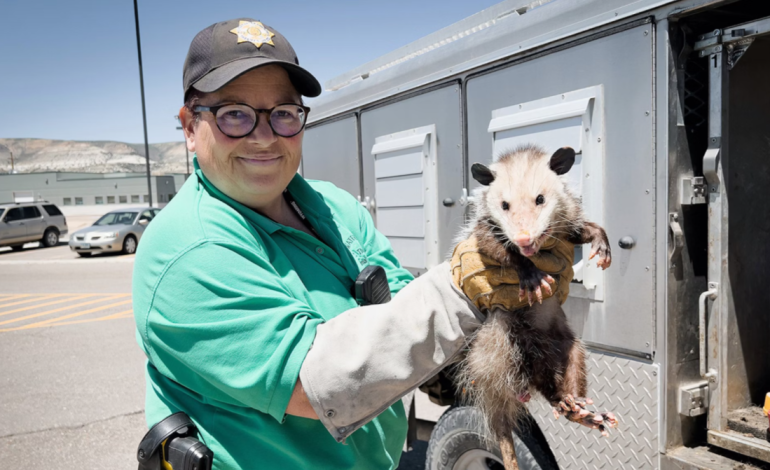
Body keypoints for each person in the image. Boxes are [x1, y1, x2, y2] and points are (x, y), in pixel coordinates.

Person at [132, 18, 561, 469]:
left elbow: (399, 297)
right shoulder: (188, 251)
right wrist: (472, 280)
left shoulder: (332, 206)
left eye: (283, 114)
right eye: (234, 115)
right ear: (188, 125)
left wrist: (481, 354)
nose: (264, 137)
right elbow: (317, 386)